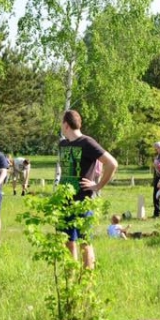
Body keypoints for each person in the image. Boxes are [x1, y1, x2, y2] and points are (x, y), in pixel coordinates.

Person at [58, 109, 118, 269]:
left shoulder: (87, 142)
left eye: (61, 123)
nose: (61, 126)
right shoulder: (62, 144)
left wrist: (97, 186)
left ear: (66, 125)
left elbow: (112, 163)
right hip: (64, 201)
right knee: (67, 241)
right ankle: (70, 279)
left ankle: (87, 280)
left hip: (83, 201)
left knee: (85, 242)